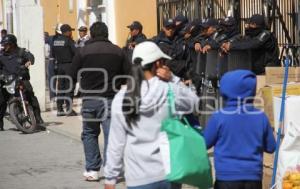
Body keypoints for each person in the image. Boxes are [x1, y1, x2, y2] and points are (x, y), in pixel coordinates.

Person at [104, 41, 198, 189]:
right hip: (170, 172)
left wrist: (110, 178)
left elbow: (116, 143)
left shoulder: (122, 97)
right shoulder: (170, 90)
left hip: (138, 177)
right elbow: (194, 102)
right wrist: (173, 78)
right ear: (158, 63)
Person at [69, 21, 131, 181]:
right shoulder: (118, 51)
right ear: (107, 34)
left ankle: (92, 170)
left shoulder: (83, 52)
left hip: (89, 99)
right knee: (112, 136)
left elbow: (71, 74)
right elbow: (129, 74)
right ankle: (113, 171)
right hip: (111, 99)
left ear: (92, 34)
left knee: (89, 133)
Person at [204, 70, 276, 189]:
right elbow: (271, 147)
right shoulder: (260, 117)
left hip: (226, 178)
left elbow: (204, 143)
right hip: (253, 178)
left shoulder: (219, 117)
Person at [0, 34, 44, 131]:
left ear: (12, 44)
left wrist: (29, 62)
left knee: (31, 98)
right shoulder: (1, 55)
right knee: (2, 101)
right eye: (3, 45)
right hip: (7, 81)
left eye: (6, 44)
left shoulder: (21, 51)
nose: (4, 47)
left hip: (21, 79)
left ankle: (38, 119)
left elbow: (31, 57)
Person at [52, 24, 77, 116]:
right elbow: (76, 52)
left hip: (59, 66)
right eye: (70, 31)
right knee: (69, 87)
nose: (71, 32)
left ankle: (59, 109)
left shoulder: (55, 41)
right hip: (69, 66)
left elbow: (53, 54)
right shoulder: (69, 41)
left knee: (61, 88)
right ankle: (69, 109)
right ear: (67, 31)